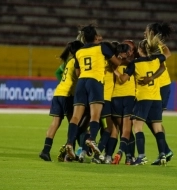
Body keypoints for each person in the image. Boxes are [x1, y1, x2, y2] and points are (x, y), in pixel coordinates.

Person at [65, 24, 123, 160]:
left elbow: (78, 72)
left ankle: (69, 143)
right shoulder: (102, 47)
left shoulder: (79, 51)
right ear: (95, 36)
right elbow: (117, 62)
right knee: (95, 116)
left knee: (76, 117)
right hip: (95, 81)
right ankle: (91, 139)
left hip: (81, 82)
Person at [113, 38, 171, 166]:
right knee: (157, 128)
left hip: (143, 98)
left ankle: (142, 156)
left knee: (138, 127)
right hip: (156, 98)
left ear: (139, 50)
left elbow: (123, 79)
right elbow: (162, 68)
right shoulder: (157, 59)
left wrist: (115, 70)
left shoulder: (135, 63)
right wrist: (152, 77)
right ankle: (162, 155)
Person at [39, 40, 84, 161]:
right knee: (73, 124)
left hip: (58, 92)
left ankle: (45, 150)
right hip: (67, 95)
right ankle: (70, 153)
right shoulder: (77, 61)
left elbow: (59, 73)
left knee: (55, 123)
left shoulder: (69, 61)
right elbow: (80, 76)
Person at [141, 22, 174, 164]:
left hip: (161, 85)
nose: (144, 33)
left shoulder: (156, 45)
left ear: (152, 32)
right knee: (152, 120)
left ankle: (165, 151)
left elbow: (167, 54)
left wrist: (157, 59)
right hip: (156, 85)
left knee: (154, 119)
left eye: (146, 30)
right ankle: (165, 150)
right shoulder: (148, 44)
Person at [110, 40, 137, 165]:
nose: (130, 51)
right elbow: (123, 80)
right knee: (126, 130)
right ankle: (126, 156)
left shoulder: (114, 64)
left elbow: (122, 79)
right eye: (128, 49)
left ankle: (125, 155)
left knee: (124, 130)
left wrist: (113, 69)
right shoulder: (131, 64)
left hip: (118, 97)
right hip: (124, 97)